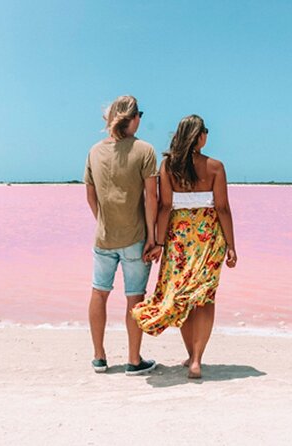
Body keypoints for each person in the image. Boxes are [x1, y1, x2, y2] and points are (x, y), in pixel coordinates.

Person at [132, 114, 237, 379]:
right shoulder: (215, 167)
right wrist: (232, 246)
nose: (207, 136)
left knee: (184, 298)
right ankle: (197, 360)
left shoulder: (168, 167)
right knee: (204, 298)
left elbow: (165, 207)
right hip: (209, 239)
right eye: (206, 131)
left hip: (179, 239)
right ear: (198, 135)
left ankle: (191, 355)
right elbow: (222, 208)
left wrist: (158, 241)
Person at [83, 95, 158, 376]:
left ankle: (99, 357)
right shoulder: (145, 150)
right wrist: (153, 236)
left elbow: (90, 196)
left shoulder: (94, 151)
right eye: (140, 114)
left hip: (103, 237)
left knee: (99, 292)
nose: (141, 120)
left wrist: (103, 222)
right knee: (134, 298)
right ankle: (133, 360)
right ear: (133, 117)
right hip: (136, 237)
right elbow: (152, 198)